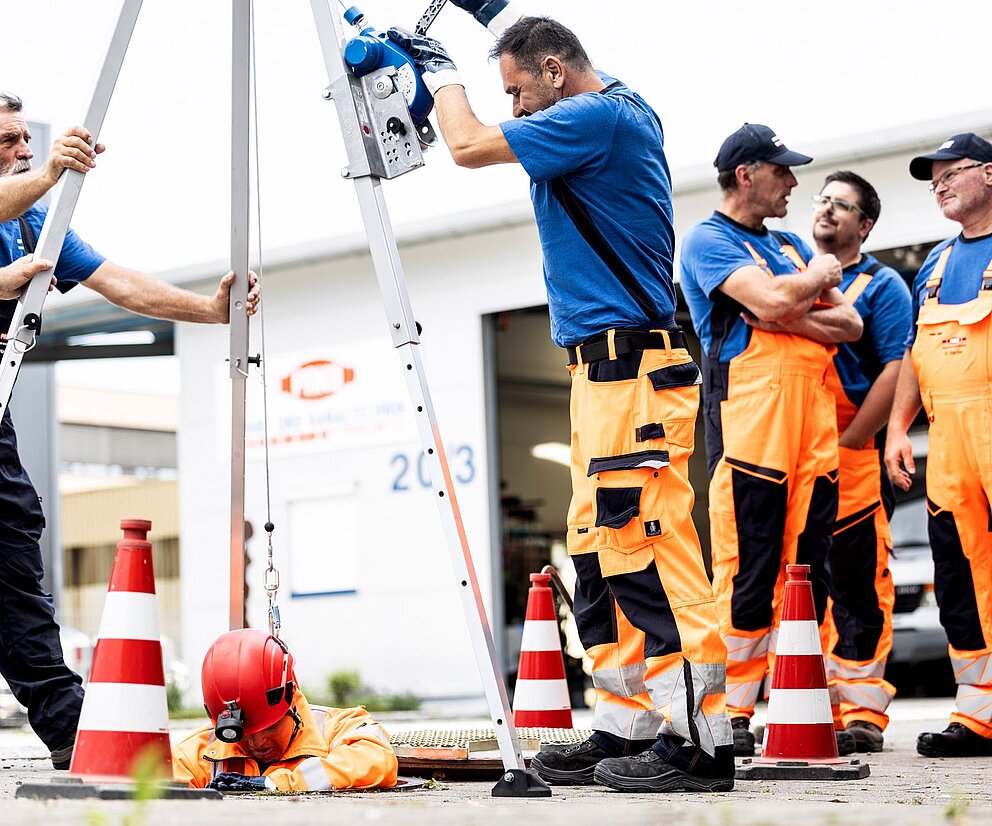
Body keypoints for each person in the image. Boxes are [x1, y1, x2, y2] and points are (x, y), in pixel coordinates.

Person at [388, 4, 735, 793]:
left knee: (648, 544)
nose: (511, 109)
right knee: (596, 547)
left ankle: (699, 743)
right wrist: (490, 17)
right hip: (600, 374)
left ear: (554, 74)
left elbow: (468, 145)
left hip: (634, 373)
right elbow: (533, 39)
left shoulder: (599, 116)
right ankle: (626, 721)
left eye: (516, 91)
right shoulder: (588, 104)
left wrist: (438, 72)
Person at [0, 91, 260, 769]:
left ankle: (69, 726)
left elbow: (118, 282)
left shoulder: (32, 224)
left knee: (11, 562)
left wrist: (209, 310)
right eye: (8, 140)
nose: (24, 150)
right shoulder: (31, 201)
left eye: (26, 139)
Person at [679, 124, 863, 757]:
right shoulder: (707, 239)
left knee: (806, 563)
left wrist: (790, 309)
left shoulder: (786, 244)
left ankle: (796, 700)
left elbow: (850, 323)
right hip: (750, 418)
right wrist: (809, 284)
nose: (792, 183)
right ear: (746, 174)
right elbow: (769, 299)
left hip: (811, 415)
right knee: (748, 566)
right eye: (782, 171)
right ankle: (729, 708)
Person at [885, 132, 992, 758]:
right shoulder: (935, 263)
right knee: (956, 577)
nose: (940, 183)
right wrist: (900, 427)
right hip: (949, 438)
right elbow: (911, 354)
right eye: (934, 177)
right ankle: (979, 717)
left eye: (953, 171)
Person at [811, 171, 912, 752]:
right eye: (823, 199)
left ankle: (862, 715)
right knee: (805, 584)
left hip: (851, 450)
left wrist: (853, 443)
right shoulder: (796, 272)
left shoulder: (881, 287)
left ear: (864, 225)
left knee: (857, 584)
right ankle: (815, 702)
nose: (826, 210)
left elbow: (895, 370)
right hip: (799, 451)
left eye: (842, 205)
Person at [173, 629, 398, 790]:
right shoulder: (193, 756)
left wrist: (275, 784)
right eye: (240, 734)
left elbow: (376, 760)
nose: (257, 743)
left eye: (269, 726)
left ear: (290, 700)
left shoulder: (340, 727)